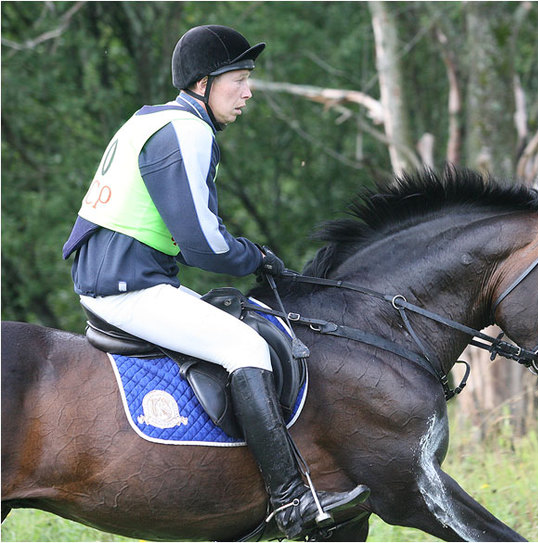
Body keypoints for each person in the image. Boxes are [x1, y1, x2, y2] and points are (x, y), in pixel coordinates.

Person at [62, 24, 368, 540]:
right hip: (128, 286)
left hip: (124, 276)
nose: (248, 92)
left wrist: (250, 256)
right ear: (203, 83)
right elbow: (204, 243)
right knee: (245, 345)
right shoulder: (188, 130)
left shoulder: (150, 119)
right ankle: (290, 501)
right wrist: (259, 258)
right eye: (240, 79)